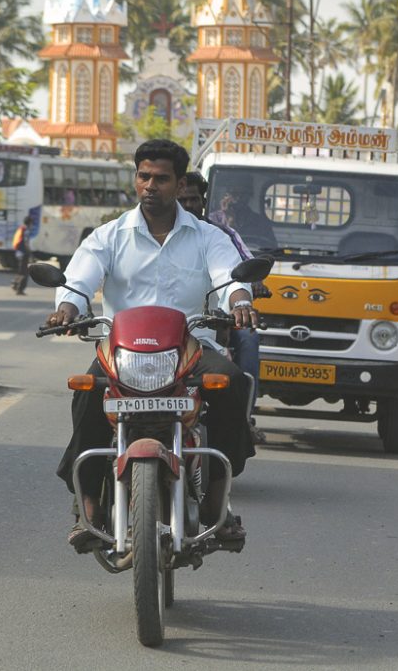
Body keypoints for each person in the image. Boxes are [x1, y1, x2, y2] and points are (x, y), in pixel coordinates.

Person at [45, 139, 257, 551]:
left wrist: (240, 301)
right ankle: (87, 504)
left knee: (232, 382)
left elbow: (229, 277)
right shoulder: (109, 236)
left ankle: (218, 502)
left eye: (161, 178)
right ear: (135, 179)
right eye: (144, 176)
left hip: (191, 349)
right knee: (87, 394)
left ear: (179, 185)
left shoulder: (208, 237)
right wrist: (67, 307)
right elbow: (79, 280)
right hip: (123, 354)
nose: (150, 186)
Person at [180, 171, 267, 444]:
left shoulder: (221, 235)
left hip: (215, 322)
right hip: (164, 327)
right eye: (181, 200)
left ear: (204, 202)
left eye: (194, 200)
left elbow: (237, 270)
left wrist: (249, 291)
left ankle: (243, 419)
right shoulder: (139, 232)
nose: (188, 206)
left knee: (248, 339)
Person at [10, 217, 32, 295]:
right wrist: (29, 251)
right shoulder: (26, 230)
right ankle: (19, 289)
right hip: (24, 253)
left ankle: (15, 284)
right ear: (30, 223)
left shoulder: (21, 228)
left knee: (20, 271)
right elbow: (26, 242)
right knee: (24, 273)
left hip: (19, 253)